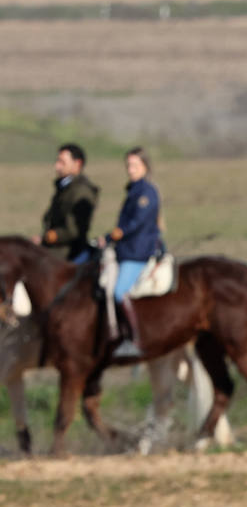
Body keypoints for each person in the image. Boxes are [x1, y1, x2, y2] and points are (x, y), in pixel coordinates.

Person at [107, 146, 163, 361]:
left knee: (120, 291)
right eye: (128, 165)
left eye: (134, 165)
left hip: (138, 252)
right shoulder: (133, 191)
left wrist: (116, 234)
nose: (130, 170)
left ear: (145, 167)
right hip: (125, 250)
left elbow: (136, 223)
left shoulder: (146, 192)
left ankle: (133, 339)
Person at [38, 142, 99, 263]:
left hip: (68, 252)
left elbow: (74, 230)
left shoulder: (82, 191)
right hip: (53, 248)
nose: (57, 166)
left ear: (77, 164)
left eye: (62, 162)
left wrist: (51, 236)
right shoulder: (64, 187)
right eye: (57, 161)